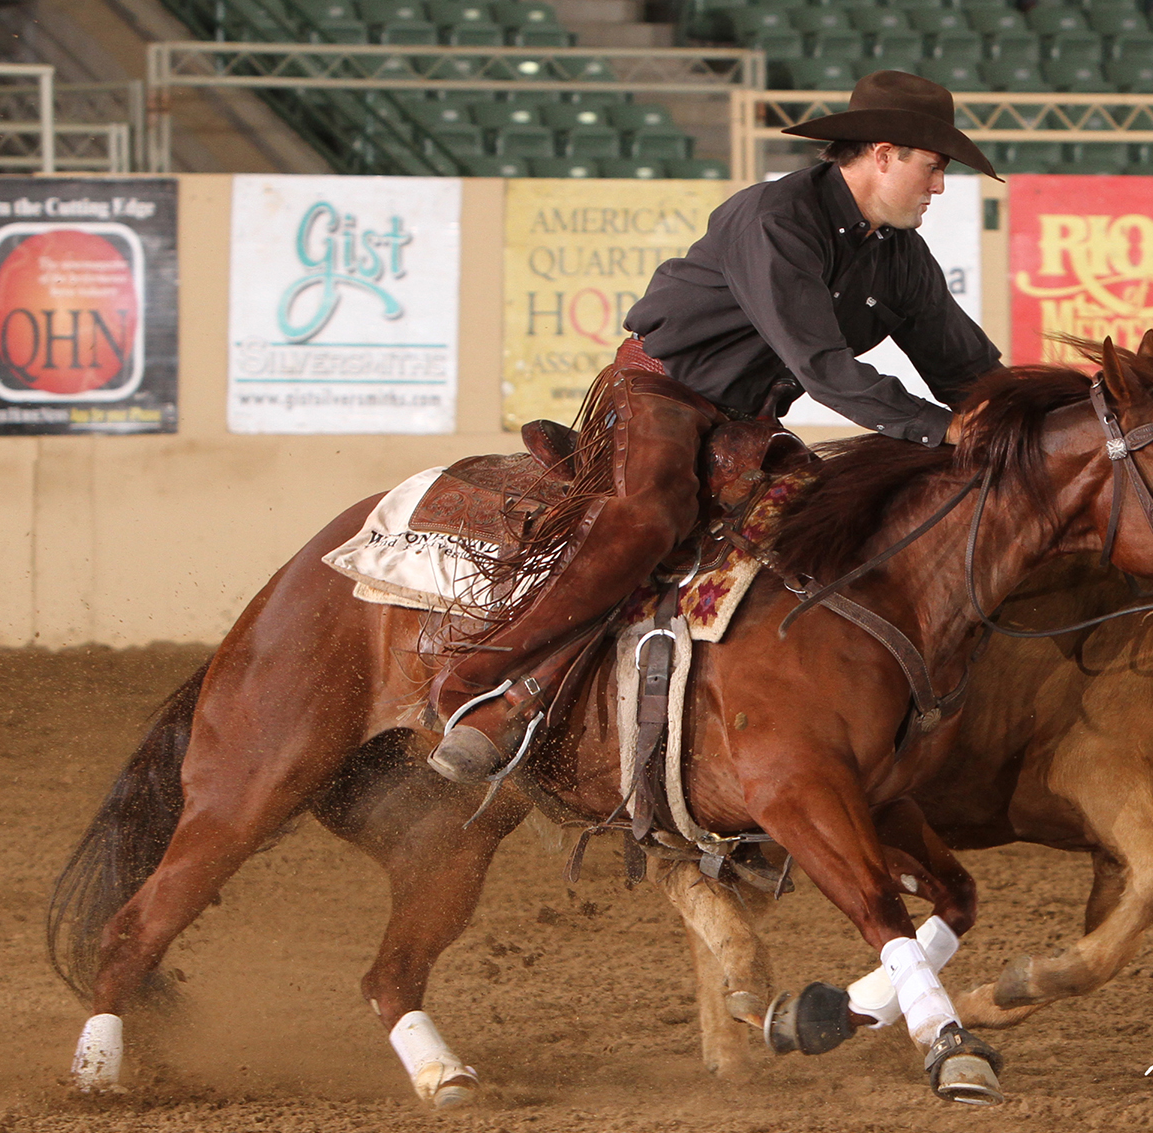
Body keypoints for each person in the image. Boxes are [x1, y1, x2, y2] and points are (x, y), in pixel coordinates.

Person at [428, 72, 1006, 785]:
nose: (940, 187)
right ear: (884, 154)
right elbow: (824, 367)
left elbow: (969, 372)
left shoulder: (901, 259)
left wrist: (1032, 420)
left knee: (823, 538)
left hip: (748, 422)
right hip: (662, 390)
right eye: (934, 167)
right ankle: (483, 691)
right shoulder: (776, 219)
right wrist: (939, 431)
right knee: (648, 518)